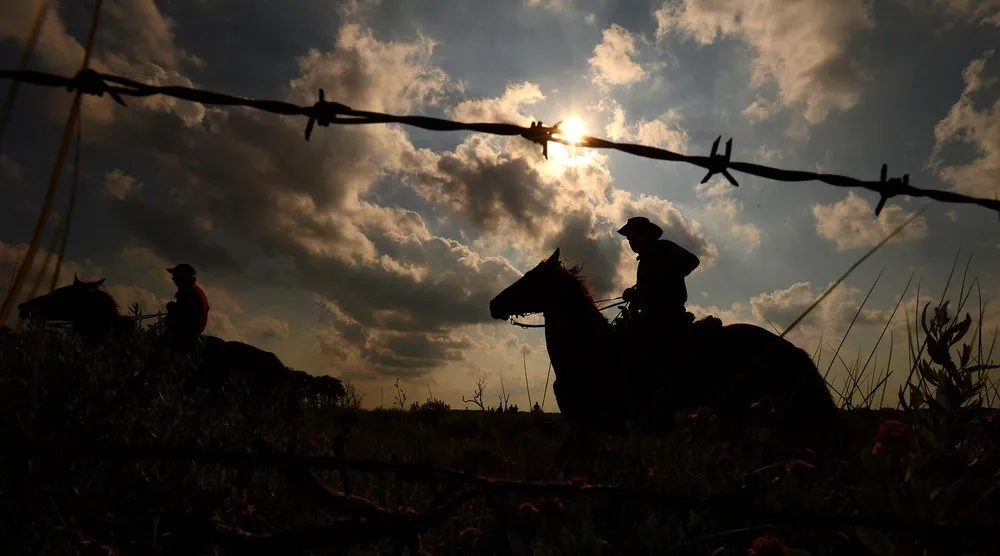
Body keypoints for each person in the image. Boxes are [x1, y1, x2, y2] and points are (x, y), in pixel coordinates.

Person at [617, 216, 699, 339]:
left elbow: (692, 261)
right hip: (649, 317)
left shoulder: (664, 247)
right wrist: (634, 294)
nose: (631, 242)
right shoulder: (644, 259)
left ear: (645, 235)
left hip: (668, 316)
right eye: (629, 239)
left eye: (633, 237)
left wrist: (665, 277)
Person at [164, 263, 210, 350]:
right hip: (191, 331)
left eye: (176, 276)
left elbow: (184, 316)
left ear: (183, 277)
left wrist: (172, 308)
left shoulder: (189, 293)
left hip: (186, 334)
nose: (173, 279)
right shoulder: (194, 291)